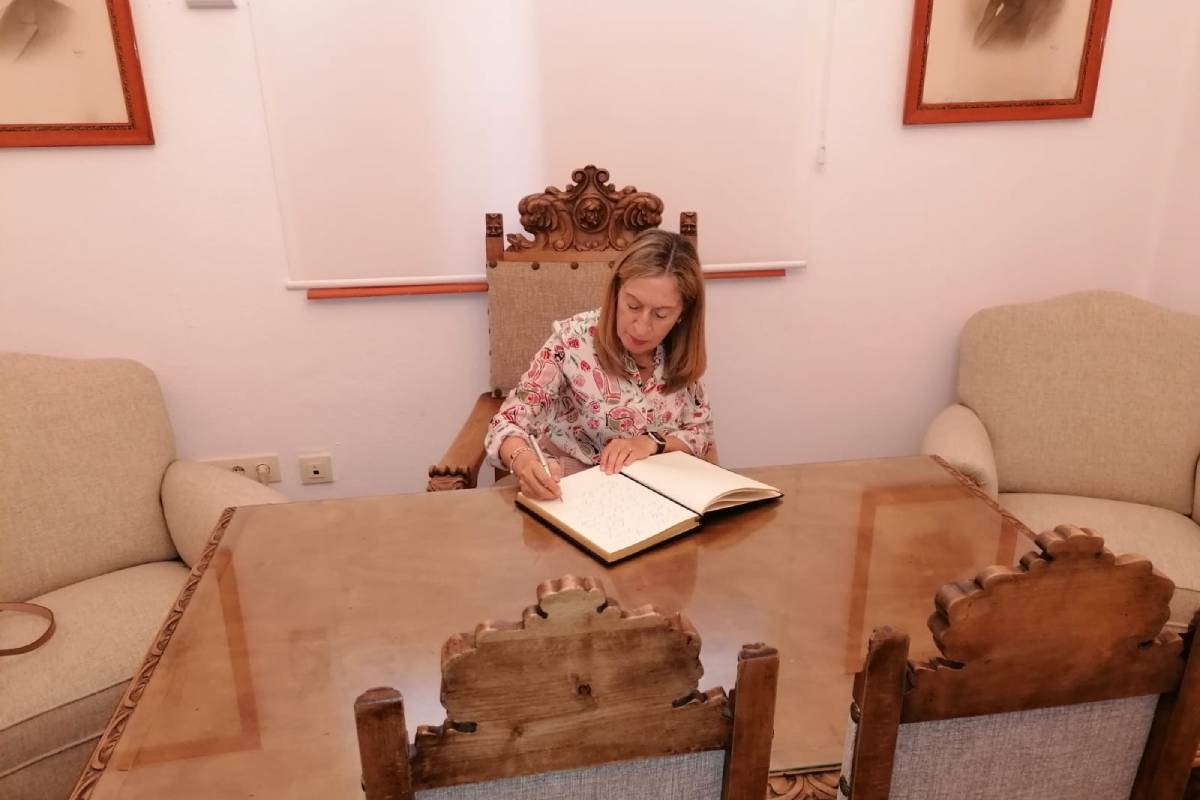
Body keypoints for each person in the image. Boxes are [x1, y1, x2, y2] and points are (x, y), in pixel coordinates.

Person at [484, 228, 713, 501]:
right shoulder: (571, 341)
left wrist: (651, 443)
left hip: (655, 498)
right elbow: (505, 423)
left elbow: (700, 433)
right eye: (633, 306)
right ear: (616, 292)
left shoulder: (679, 350)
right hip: (572, 492)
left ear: (682, 314)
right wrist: (523, 461)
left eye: (661, 314)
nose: (642, 327)